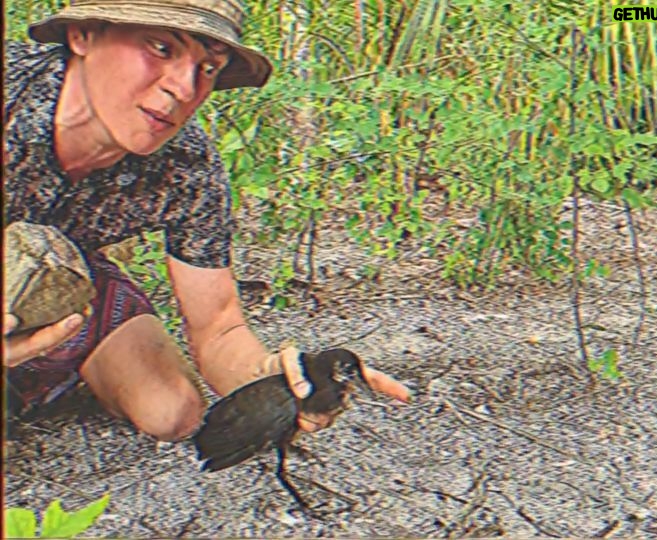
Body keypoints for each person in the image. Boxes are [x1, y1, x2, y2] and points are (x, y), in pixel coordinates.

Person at [3, 0, 410, 441]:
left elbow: (217, 326)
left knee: (172, 412)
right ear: (84, 35)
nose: (184, 86)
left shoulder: (188, 167)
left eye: (210, 68)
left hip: (66, 275)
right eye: (160, 47)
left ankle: (52, 368)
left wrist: (278, 382)